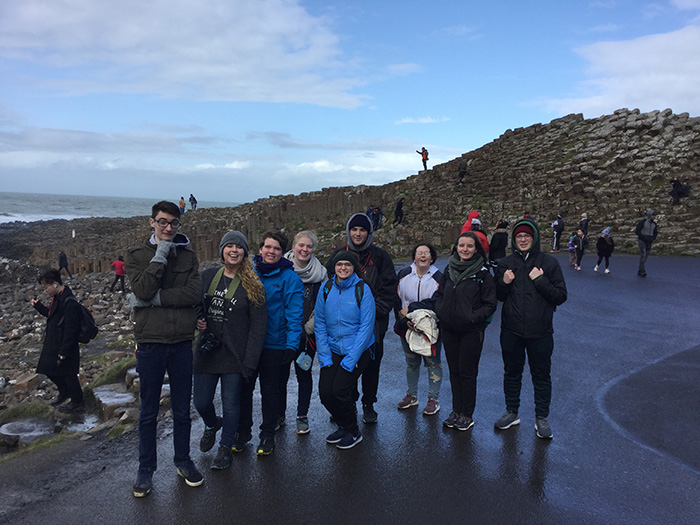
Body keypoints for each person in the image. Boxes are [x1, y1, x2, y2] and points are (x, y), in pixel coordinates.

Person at [125, 200, 203, 497]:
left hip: (182, 342)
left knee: (183, 410)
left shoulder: (189, 256)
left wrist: (155, 300)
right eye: (162, 222)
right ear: (151, 222)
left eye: (173, 223)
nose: (168, 227)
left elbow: (194, 293)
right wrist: (161, 253)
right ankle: (146, 470)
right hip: (150, 343)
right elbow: (141, 289)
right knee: (148, 412)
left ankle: (183, 461)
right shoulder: (136, 255)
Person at [193, 231, 267, 470]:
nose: (233, 250)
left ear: (245, 253)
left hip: (235, 355)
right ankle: (212, 424)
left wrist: (250, 362)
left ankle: (225, 449)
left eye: (239, 247)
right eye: (229, 246)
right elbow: (193, 305)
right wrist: (198, 318)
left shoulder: (253, 286)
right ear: (222, 251)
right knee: (202, 402)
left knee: (231, 403)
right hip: (207, 352)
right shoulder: (208, 276)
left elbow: (258, 328)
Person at [493, 218, 567, 439]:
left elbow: (560, 296)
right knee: (512, 372)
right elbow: (498, 296)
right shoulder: (505, 263)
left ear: (533, 238)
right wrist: (504, 282)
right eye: (518, 236)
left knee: (541, 375)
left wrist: (541, 280)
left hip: (540, 331)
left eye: (526, 236)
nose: (523, 239)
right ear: (514, 240)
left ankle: (541, 417)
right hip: (512, 330)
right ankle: (511, 412)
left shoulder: (549, 263)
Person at [326, 213, 397, 424]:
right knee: (345, 365)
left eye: (362, 230)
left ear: (369, 232)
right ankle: (347, 403)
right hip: (343, 326)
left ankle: (368, 404)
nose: (358, 233)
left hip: (374, 325)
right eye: (354, 229)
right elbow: (329, 288)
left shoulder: (381, 257)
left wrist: (370, 312)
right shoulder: (338, 256)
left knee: (371, 366)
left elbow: (388, 290)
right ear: (348, 231)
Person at [237, 230, 303, 456]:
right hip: (250, 344)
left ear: (283, 252)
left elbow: (294, 314)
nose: (271, 251)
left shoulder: (290, 278)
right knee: (244, 389)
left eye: (276, 248)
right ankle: (243, 431)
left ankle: (267, 435)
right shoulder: (250, 274)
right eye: (268, 247)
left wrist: (292, 345)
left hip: (276, 343)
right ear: (261, 248)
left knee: (270, 392)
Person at [429, 233, 496, 431]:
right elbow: (439, 294)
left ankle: (467, 413)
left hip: (471, 331)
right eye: (461, 246)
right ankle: (456, 411)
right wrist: (441, 310)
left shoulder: (483, 274)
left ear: (476, 249)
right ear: (456, 247)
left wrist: (472, 317)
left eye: (469, 246)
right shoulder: (449, 269)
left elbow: (490, 303)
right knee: (454, 372)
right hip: (450, 329)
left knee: (467, 374)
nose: (465, 249)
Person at [316, 252, 376, 449]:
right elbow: (320, 323)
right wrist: (324, 356)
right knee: (325, 392)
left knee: (340, 390)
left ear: (354, 268)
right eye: (339, 264)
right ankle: (343, 425)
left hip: (358, 351)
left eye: (347, 265)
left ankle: (352, 430)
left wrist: (351, 359)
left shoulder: (362, 290)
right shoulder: (326, 288)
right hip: (333, 349)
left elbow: (366, 327)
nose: (343, 268)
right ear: (334, 267)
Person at [281, 231, 327, 435]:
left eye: (309, 246)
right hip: (282, 333)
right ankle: (278, 414)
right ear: (293, 247)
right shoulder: (281, 269)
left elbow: (324, 304)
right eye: (301, 245)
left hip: (307, 335)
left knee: (304, 374)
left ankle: (302, 416)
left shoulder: (321, 274)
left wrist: (310, 327)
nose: (304, 249)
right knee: (279, 376)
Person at [395, 243, 443, 416]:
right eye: (419, 252)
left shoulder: (439, 277)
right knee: (411, 362)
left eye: (426, 253)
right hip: (407, 326)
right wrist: (402, 321)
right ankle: (412, 395)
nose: (423, 256)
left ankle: (433, 399)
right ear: (414, 257)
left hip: (431, 328)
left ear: (432, 257)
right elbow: (397, 301)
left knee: (432, 363)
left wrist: (413, 309)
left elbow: (437, 302)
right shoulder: (403, 274)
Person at [31, 269, 85, 413]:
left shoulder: (69, 302)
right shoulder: (58, 297)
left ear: (55, 284)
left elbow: (71, 329)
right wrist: (38, 306)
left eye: (46, 287)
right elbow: (52, 314)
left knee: (69, 374)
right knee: (47, 368)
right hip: (55, 342)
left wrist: (64, 351)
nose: (45, 290)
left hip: (65, 344)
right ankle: (65, 392)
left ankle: (77, 402)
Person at [635, 209, 658, 278]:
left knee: (645, 256)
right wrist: (643, 238)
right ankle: (642, 271)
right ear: (649, 215)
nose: (654, 216)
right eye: (653, 215)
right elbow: (637, 231)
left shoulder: (654, 224)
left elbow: (655, 232)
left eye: (655, 215)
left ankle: (640, 270)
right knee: (643, 254)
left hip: (649, 241)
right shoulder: (643, 222)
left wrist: (653, 238)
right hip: (642, 240)